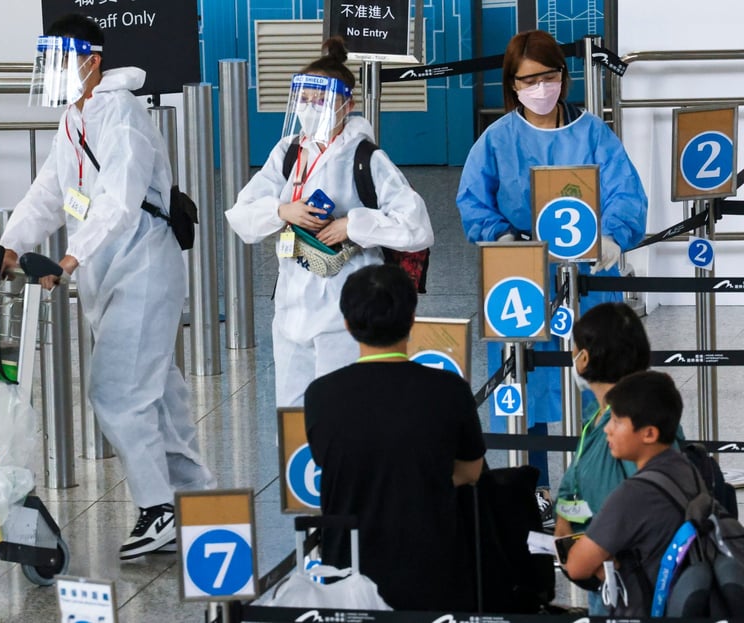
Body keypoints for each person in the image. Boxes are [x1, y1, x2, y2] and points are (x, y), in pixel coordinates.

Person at [0, 14, 214, 560]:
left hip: (143, 267)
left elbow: (118, 201)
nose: (54, 73)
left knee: (117, 390)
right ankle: (196, 502)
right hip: (107, 271)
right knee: (157, 396)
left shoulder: (121, 113)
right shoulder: (74, 120)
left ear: (92, 62)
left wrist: (68, 260)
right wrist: (9, 246)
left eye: (62, 62)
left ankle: (158, 509)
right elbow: (49, 193)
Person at [455, 29, 648, 500]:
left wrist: (610, 236)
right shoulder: (497, 140)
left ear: (564, 76)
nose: (540, 88)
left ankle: (600, 483)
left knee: (598, 385)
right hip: (522, 279)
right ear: (512, 86)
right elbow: (474, 203)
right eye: (528, 80)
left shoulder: (594, 135)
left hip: (590, 280)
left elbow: (627, 195)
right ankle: (535, 489)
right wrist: (501, 236)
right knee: (529, 383)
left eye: (548, 76)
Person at [227, 37, 433, 408]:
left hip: (347, 304)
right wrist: (282, 211)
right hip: (292, 302)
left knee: (344, 411)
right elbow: (241, 214)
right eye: (304, 100)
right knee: (292, 414)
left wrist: (352, 225)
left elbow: (416, 226)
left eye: (320, 100)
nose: (311, 109)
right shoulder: (290, 152)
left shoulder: (365, 157)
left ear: (347, 105)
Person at [304, 264, 485, 610]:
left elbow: (332, 461)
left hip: (348, 569)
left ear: (346, 322)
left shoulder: (320, 395)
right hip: (434, 565)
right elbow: (471, 471)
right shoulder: (449, 390)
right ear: (412, 318)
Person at [565, 370, 693, 616]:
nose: (607, 430)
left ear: (649, 434)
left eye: (617, 421)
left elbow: (577, 566)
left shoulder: (633, 495)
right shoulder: (687, 468)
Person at [553, 302, 650, 614]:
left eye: (575, 349)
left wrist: (595, 556)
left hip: (624, 583)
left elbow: (639, 506)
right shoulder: (599, 420)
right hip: (603, 577)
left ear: (585, 359)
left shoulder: (630, 423)